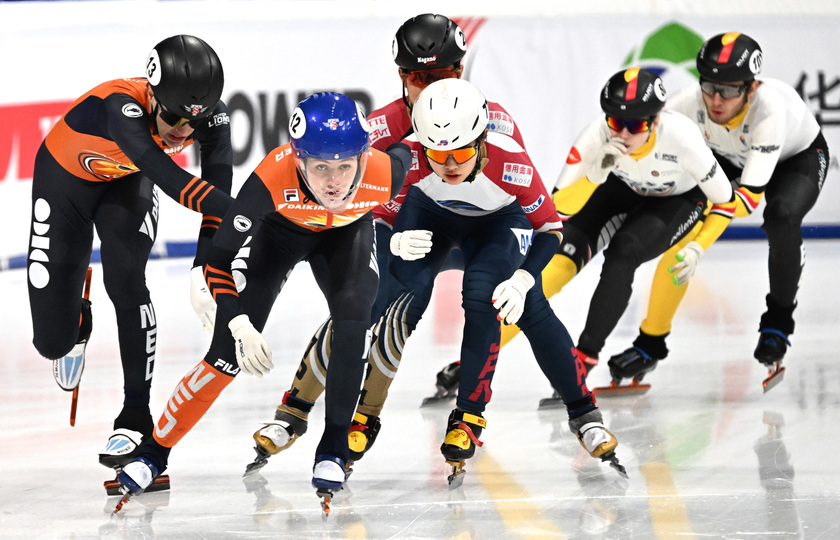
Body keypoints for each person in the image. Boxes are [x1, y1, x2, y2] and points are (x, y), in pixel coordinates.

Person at [245, 13, 530, 471]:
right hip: (400, 230)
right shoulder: (380, 129)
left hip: (476, 226)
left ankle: (464, 414)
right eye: (420, 76)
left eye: (443, 74)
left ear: (460, 72)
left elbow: (518, 193)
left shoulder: (494, 120)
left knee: (483, 298)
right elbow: (342, 201)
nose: (431, 85)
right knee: (376, 302)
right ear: (401, 75)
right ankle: (300, 409)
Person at [114, 92, 411, 501]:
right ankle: (153, 454)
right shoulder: (271, 178)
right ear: (297, 159)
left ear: (362, 157)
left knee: (354, 320)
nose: (334, 181)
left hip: (348, 236)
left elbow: (415, 149)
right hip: (279, 236)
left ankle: (334, 450)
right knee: (224, 356)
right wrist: (237, 323)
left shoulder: (385, 171)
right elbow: (216, 261)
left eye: (345, 166)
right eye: (320, 166)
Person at [28, 35, 233, 468]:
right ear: (153, 95)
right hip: (64, 180)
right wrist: (256, 214)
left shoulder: (210, 116)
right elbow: (174, 182)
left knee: (124, 278)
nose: (182, 130)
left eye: (193, 121)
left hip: (127, 181)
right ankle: (76, 323)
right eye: (174, 116)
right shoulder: (121, 105)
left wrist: (204, 265)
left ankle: (136, 413)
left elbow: (216, 192)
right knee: (51, 342)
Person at [505, 68, 759, 387]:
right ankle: (479, 352)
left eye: (635, 125)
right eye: (615, 123)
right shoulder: (596, 137)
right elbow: (555, 211)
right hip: (619, 184)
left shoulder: (682, 138)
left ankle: (584, 356)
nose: (622, 135)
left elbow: (725, 201)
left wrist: (698, 246)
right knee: (559, 258)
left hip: (677, 199)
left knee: (623, 254)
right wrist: (594, 176)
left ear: (655, 120)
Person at [616, 32, 829, 377]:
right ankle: (650, 343)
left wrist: (703, 242)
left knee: (781, 217)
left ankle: (777, 323)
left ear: (752, 88)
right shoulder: (688, 103)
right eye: (710, 86)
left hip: (795, 159)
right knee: (682, 235)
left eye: (729, 90)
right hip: (730, 158)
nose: (716, 99)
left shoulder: (770, 112)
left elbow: (745, 201)